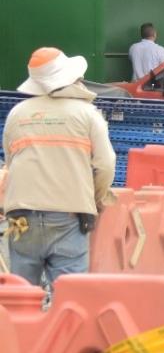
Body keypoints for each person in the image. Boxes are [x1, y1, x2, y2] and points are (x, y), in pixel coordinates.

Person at [1, 48, 116, 287]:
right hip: (68, 216)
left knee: (22, 297)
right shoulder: (88, 114)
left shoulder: (17, 114)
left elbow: (12, 162)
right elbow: (105, 165)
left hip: (21, 218)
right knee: (69, 297)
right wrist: (93, 201)